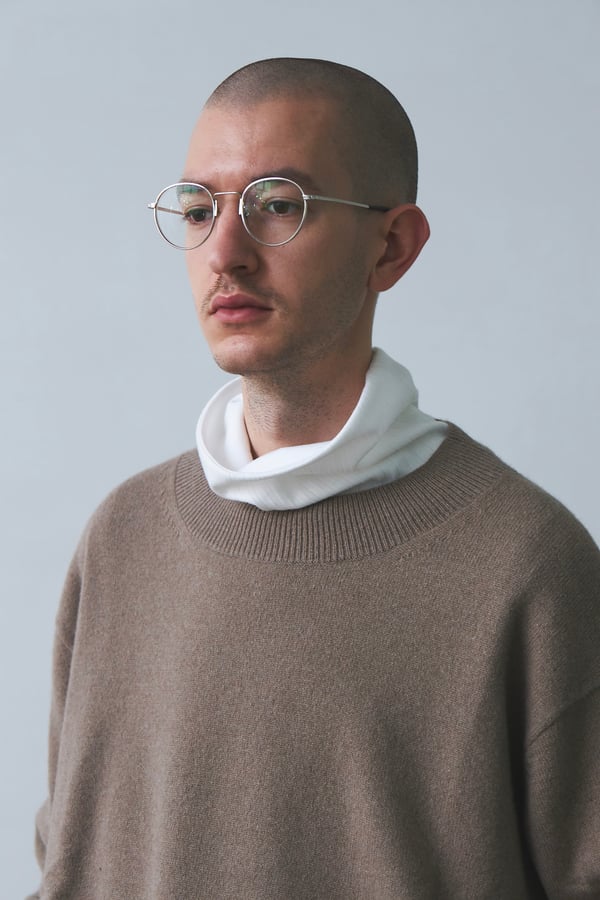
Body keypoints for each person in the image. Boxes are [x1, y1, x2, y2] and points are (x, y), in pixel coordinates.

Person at [30, 58, 600, 899]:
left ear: (392, 246)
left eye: (278, 205)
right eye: (199, 209)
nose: (225, 253)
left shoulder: (528, 564)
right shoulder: (124, 537)